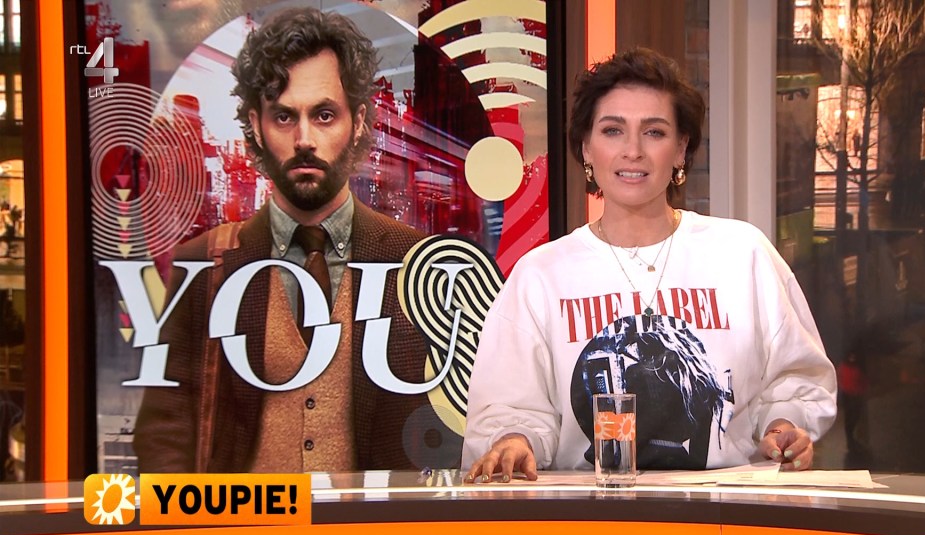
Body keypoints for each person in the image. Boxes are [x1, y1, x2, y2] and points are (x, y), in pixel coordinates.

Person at [461, 48, 836, 483]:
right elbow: (510, 406)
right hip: (589, 513)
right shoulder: (541, 275)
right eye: (613, 130)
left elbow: (797, 377)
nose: (633, 151)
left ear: (681, 149)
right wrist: (514, 441)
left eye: (654, 132)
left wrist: (784, 426)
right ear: (586, 148)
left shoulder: (742, 253)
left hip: (724, 510)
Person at [133, 7, 428, 473]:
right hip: (241, 520)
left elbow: (439, 426)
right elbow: (164, 431)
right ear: (255, 124)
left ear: (358, 121)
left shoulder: (413, 261)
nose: (304, 139)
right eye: (285, 117)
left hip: (370, 520)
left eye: (325, 115)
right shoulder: (207, 263)